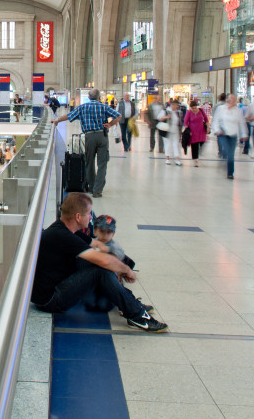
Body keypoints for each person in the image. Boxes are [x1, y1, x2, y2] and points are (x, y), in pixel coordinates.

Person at [32, 192, 167, 332]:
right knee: (100, 271)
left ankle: (128, 303)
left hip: (57, 283)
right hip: (50, 299)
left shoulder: (65, 228)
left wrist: (113, 257)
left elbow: (97, 245)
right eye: (89, 214)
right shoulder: (63, 235)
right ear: (78, 217)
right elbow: (104, 261)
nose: (91, 217)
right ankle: (137, 316)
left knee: (101, 263)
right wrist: (126, 270)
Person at [51, 88, 122, 198]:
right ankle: (98, 190)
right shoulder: (103, 106)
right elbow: (118, 115)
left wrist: (56, 121)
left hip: (89, 137)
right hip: (102, 135)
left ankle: (92, 186)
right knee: (102, 163)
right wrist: (110, 124)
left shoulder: (82, 107)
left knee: (89, 162)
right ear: (99, 98)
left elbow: (69, 116)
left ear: (88, 97)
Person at [212, 94, 247, 179]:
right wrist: (217, 130)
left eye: (233, 98)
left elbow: (242, 123)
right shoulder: (221, 109)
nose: (231, 100)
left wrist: (244, 134)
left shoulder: (238, 111)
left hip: (233, 135)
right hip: (223, 134)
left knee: (231, 155)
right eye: (230, 98)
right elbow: (215, 120)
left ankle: (230, 173)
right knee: (226, 151)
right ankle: (224, 155)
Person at [157, 99, 183, 165]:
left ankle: (177, 159)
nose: (176, 107)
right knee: (167, 144)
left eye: (177, 105)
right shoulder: (165, 111)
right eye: (176, 105)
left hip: (175, 131)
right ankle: (167, 159)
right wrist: (166, 117)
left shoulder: (178, 112)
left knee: (176, 144)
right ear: (172, 105)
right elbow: (159, 118)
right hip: (167, 131)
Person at [184, 99, 209, 167]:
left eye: (195, 108)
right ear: (190, 108)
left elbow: (206, 119)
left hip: (201, 131)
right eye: (192, 108)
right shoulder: (189, 112)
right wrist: (188, 131)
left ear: (197, 106)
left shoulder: (201, 110)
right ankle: (195, 160)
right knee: (194, 146)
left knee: (202, 143)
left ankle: (199, 154)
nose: (194, 109)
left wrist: (208, 128)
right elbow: (185, 122)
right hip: (193, 132)